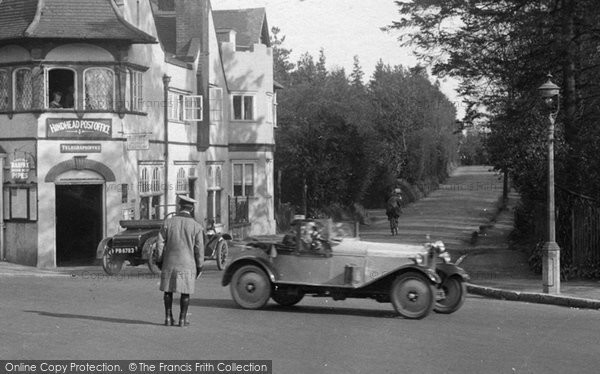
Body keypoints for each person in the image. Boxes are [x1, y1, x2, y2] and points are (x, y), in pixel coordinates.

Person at [156, 195, 204, 327]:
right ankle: (182, 320)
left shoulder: (168, 223)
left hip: (169, 262)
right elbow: (199, 249)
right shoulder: (196, 227)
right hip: (188, 264)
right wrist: (200, 266)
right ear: (192, 208)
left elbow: (160, 243)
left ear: (179, 207)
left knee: (168, 291)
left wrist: (159, 260)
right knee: (185, 291)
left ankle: (168, 318)